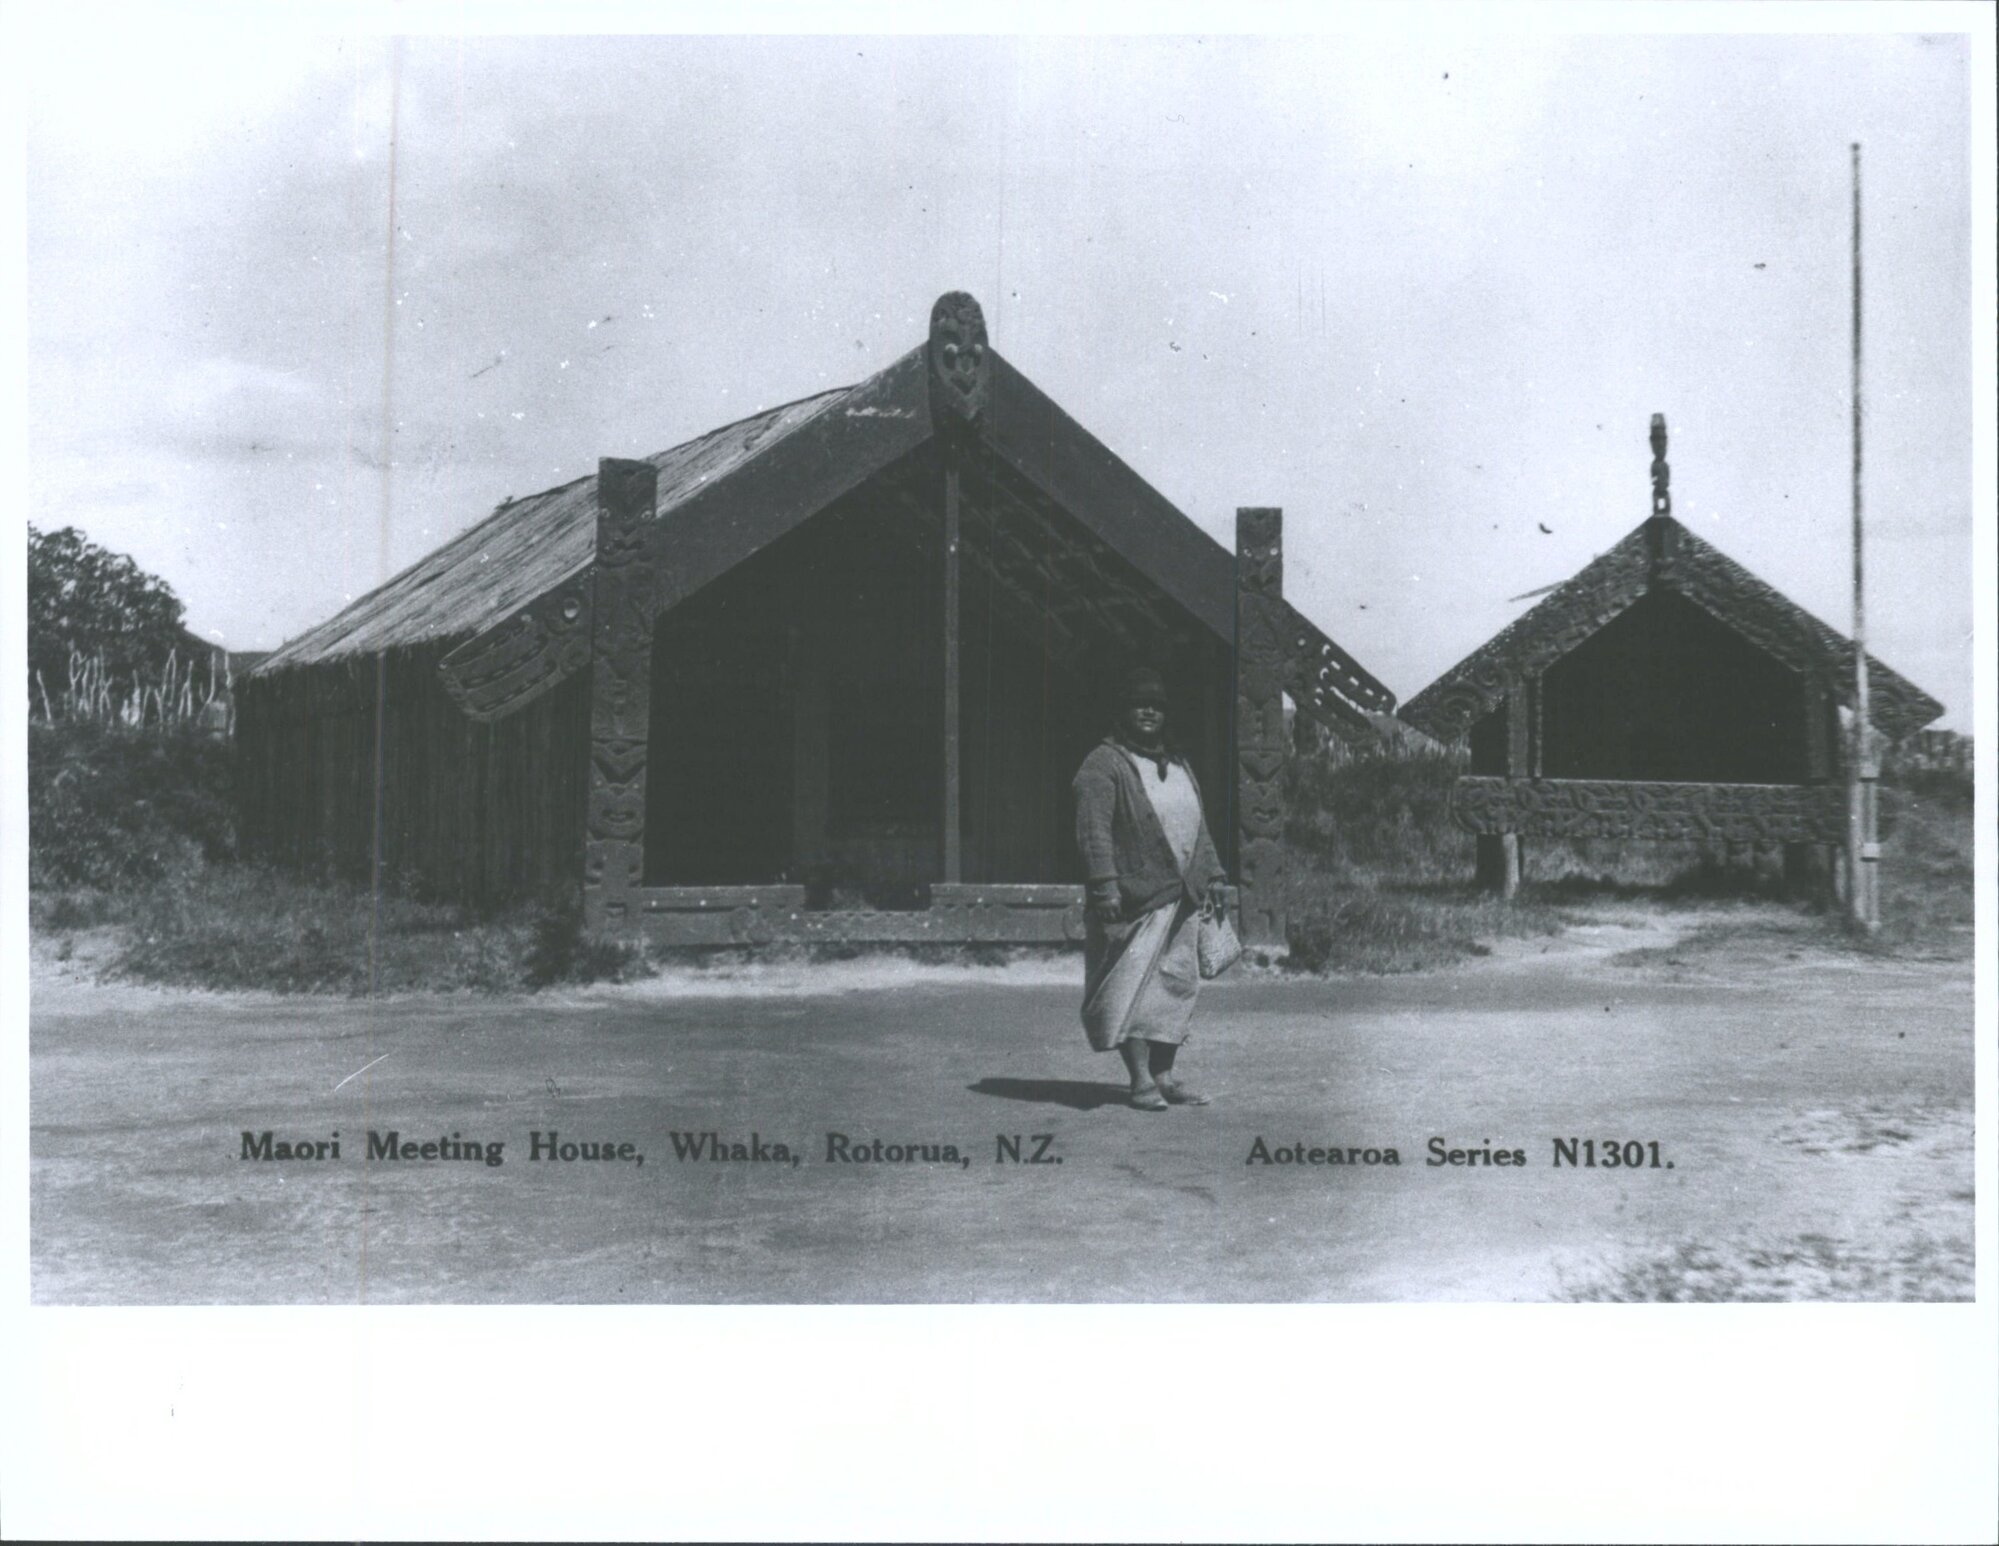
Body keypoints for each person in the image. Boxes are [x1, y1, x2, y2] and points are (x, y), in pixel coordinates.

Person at [1071, 666, 1230, 1111]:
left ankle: (1164, 1075)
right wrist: (1106, 892)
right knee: (1131, 989)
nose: (1148, 712)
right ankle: (1139, 1079)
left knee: (1177, 987)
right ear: (1122, 711)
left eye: (1157, 706)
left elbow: (1198, 825)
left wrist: (1212, 874)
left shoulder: (1178, 763)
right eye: (1139, 704)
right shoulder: (1103, 764)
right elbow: (1093, 834)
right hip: (1132, 898)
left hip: (1183, 897)